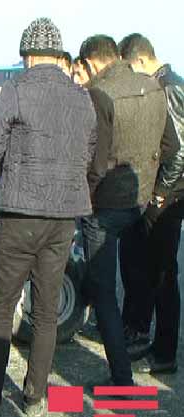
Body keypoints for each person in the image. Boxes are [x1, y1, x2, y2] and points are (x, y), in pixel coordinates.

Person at [0, 17, 96, 416]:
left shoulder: (16, 89)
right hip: (63, 218)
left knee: (1, 304)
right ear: (59, 56)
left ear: (26, 55)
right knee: (45, 309)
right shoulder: (81, 95)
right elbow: (88, 150)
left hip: (20, 212)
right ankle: (35, 397)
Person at [79, 34, 168, 387]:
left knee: (103, 291)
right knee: (132, 276)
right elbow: (171, 145)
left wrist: (81, 198)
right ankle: (135, 338)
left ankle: (121, 378)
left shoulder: (100, 93)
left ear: (90, 63)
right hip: (140, 199)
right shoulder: (154, 86)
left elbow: (96, 164)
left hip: (105, 205)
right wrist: (153, 189)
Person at [118, 33, 183, 373]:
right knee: (144, 267)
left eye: (130, 69)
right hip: (157, 194)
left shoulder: (169, 88)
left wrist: (160, 193)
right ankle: (142, 334)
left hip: (168, 198)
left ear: (141, 60)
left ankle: (165, 352)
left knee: (163, 274)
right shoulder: (161, 84)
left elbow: (180, 150)